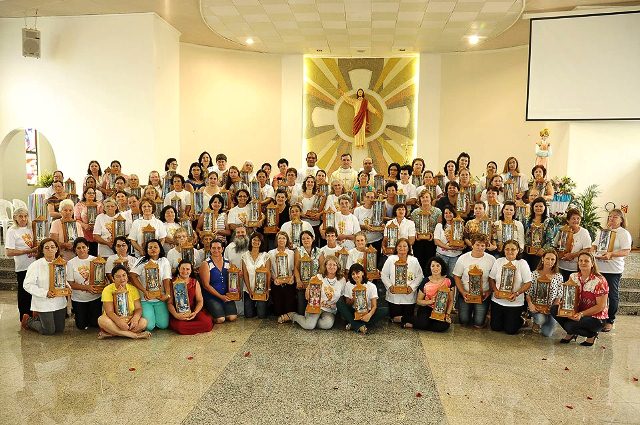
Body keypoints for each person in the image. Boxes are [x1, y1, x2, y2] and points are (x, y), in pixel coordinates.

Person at [552, 252, 609, 346]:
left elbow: (600, 306)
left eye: (586, 261)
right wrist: (565, 307)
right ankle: (571, 332)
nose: (583, 263)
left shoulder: (600, 281)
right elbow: (568, 296)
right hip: (578, 312)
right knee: (555, 309)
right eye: (581, 261)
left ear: (592, 263)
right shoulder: (573, 277)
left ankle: (591, 335)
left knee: (569, 325)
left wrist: (581, 314)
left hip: (596, 318)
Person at [593, 208, 632, 332]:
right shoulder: (603, 231)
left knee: (612, 295)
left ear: (621, 220)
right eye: (610, 216)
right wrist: (592, 249)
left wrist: (611, 254)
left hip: (613, 270)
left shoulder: (623, 233)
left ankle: (610, 320)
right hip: (599, 267)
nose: (611, 218)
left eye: (615, 217)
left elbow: (626, 251)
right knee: (597, 294)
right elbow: (595, 244)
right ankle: (598, 317)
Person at [21, 239, 68, 335]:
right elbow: (27, 285)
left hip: (59, 300)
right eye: (46, 248)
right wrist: (45, 293)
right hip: (44, 301)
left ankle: (39, 317)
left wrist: (67, 287)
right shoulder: (35, 265)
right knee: (49, 331)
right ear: (42, 250)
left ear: (56, 249)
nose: (50, 249)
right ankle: (29, 321)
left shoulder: (61, 263)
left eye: (52, 247)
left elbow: (64, 280)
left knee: (59, 329)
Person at [289, 255, 345, 330]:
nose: (332, 267)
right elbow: (307, 296)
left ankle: (312, 321)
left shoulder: (342, 280)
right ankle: (293, 316)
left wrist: (333, 305)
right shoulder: (318, 277)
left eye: (334, 264)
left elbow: (341, 298)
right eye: (329, 264)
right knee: (308, 326)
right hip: (315, 307)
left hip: (330, 310)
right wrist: (309, 288)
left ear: (338, 266)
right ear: (325, 266)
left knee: (326, 325)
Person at [488, 240, 532, 335]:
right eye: (507, 249)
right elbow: (491, 278)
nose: (510, 251)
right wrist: (495, 291)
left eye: (513, 249)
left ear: (518, 251)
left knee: (510, 330)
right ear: (503, 250)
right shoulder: (499, 261)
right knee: (496, 327)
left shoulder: (522, 263)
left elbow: (528, 283)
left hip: (514, 302)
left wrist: (517, 293)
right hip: (498, 300)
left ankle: (521, 320)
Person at [453, 234, 496, 328]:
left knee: (478, 323)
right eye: (477, 244)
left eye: (483, 245)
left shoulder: (491, 259)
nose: (480, 247)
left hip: (483, 295)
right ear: (472, 245)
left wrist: (489, 292)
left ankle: (484, 316)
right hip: (466, 294)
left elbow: (493, 279)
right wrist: (463, 292)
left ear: (486, 246)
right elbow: (456, 276)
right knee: (464, 321)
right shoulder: (463, 258)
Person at [97, 264, 150, 339]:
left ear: (127, 276)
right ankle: (133, 335)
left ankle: (113, 334)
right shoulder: (107, 289)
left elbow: (138, 308)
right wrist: (119, 322)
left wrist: (135, 319)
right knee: (101, 320)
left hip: (129, 319)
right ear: (113, 278)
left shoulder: (133, 289)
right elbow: (109, 312)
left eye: (124, 275)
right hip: (114, 320)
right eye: (118, 276)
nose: (122, 279)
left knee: (143, 322)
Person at [401, 256, 453, 332]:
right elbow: (418, 301)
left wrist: (447, 314)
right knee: (423, 323)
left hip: (441, 310)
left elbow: (451, 300)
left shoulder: (449, 280)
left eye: (438, 265)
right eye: (433, 266)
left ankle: (413, 325)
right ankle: (403, 318)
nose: (435, 268)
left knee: (444, 326)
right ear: (430, 268)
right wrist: (430, 301)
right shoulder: (425, 281)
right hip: (426, 307)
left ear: (442, 267)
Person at [129, 239, 172, 331]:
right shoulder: (141, 260)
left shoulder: (164, 261)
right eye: (150, 247)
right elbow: (132, 276)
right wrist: (144, 291)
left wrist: (167, 294)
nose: (153, 249)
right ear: (146, 250)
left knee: (163, 325)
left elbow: (166, 278)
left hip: (159, 298)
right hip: (146, 299)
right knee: (149, 326)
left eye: (155, 247)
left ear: (160, 248)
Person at [381, 238, 424, 323]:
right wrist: (390, 287)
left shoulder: (414, 260)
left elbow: (420, 276)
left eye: (405, 246)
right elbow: (384, 274)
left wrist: (412, 287)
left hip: (409, 296)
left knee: (407, 319)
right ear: (396, 248)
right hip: (394, 296)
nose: (402, 248)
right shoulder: (391, 259)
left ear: (409, 248)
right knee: (395, 319)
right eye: (399, 246)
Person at [6, 208, 37, 321]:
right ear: (15, 218)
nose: (23, 219)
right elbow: (9, 252)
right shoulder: (12, 230)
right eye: (20, 216)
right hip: (22, 266)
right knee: (24, 293)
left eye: (25, 216)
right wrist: (27, 251)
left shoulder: (31, 228)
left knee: (34, 291)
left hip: (34, 265)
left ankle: (34, 316)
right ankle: (24, 317)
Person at [66, 238, 103, 330]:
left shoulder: (96, 260)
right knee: (81, 326)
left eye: (84, 247)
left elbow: (102, 279)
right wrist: (87, 288)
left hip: (95, 297)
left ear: (88, 248)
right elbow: (71, 284)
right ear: (75, 250)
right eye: (78, 248)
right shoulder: (70, 263)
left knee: (95, 324)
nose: (82, 250)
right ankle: (78, 314)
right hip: (79, 299)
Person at [336, 263, 383, 334]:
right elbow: (348, 304)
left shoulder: (371, 286)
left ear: (363, 273)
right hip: (353, 312)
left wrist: (369, 315)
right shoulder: (348, 284)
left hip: (367, 311)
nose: (355, 276)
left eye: (357, 273)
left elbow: (374, 306)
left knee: (385, 310)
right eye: (353, 274)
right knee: (339, 303)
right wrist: (354, 298)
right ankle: (358, 325)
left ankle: (353, 323)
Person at [168, 260, 213, 334]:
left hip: (193, 310)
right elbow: (169, 303)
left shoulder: (195, 282)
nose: (185, 271)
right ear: (178, 269)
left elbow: (200, 301)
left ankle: (190, 328)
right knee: (180, 327)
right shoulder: (173, 282)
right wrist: (176, 315)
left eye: (188, 269)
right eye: (183, 268)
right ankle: (191, 327)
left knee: (207, 324)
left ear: (191, 270)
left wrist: (195, 312)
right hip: (179, 312)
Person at [526, 249, 563, 337]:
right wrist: (530, 304)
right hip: (536, 307)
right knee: (540, 319)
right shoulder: (534, 274)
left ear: (555, 261)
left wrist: (552, 309)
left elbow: (559, 296)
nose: (549, 261)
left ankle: (547, 319)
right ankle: (537, 322)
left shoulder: (558, 276)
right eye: (547, 258)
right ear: (542, 259)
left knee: (547, 334)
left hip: (551, 308)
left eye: (552, 259)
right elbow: (528, 292)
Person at [200, 240, 239, 323]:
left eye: (218, 248)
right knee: (220, 319)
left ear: (222, 249)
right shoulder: (205, 263)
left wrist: (238, 274)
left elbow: (233, 278)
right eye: (213, 248)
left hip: (226, 295)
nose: (216, 250)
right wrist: (221, 297)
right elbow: (206, 285)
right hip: (212, 296)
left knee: (232, 318)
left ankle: (220, 310)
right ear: (210, 249)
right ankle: (208, 311)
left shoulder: (228, 262)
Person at [241, 232, 271, 319]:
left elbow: (268, 273)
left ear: (261, 242)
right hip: (248, 289)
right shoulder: (244, 256)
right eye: (254, 240)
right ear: (251, 241)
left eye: (259, 240)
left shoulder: (266, 256)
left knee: (261, 315)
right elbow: (245, 274)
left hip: (262, 290)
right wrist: (249, 290)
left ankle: (264, 307)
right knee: (248, 315)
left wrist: (267, 289)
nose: (256, 242)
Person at [557, 208, 592, 281]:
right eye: (573, 218)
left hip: (576, 268)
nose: (576, 220)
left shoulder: (584, 232)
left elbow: (587, 249)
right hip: (561, 266)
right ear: (568, 220)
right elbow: (555, 245)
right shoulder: (562, 230)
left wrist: (573, 255)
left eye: (578, 218)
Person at [411, 190, 441, 273]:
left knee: (430, 261)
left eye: (427, 197)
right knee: (419, 261)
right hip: (418, 241)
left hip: (432, 241)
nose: (425, 199)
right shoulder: (415, 212)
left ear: (431, 198)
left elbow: (439, 227)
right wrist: (415, 233)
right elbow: (412, 226)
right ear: (420, 199)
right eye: (423, 197)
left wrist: (433, 235)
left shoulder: (438, 211)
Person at [269, 231, 296, 323]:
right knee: (278, 311)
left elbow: (294, 269)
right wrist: (274, 279)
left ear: (287, 240)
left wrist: (292, 278)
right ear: (276, 240)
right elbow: (269, 269)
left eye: (284, 238)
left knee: (289, 309)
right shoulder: (271, 253)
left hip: (289, 283)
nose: (281, 240)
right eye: (279, 238)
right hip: (276, 283)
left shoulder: (291, 253)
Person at [524, 196, 557, 270]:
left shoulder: (549, 221)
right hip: (526, 253)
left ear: (545, 208)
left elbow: (550, 239)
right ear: (532, 207)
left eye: (541, 206)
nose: (538, 208)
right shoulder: (526, 220)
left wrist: (543, 250)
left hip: (540, 254)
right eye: (536, 206)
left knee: (537, 273)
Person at [294, 230, 322, 315]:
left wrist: (314, 281)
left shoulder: (319, 251)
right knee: (302, 312)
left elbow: (322, 268)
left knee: (314, 311)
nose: (306, 240)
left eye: (308, 238)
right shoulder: (299, 251)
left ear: (313, 239)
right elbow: (296, 268)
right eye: (303, 239)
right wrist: (298, 280)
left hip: (315, 284)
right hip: (303, 284)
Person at [433, 205, 463, 275]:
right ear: (443, 215)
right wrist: (448, 247)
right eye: (446, 213)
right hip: (442, 255)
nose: (448, 215)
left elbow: (462, 240)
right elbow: (436, 241)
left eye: (450, 213)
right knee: (441, 275)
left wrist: (461, 246)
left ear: (454, 214)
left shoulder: (459, 225)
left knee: (453, 277)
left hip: (455, 256)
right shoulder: (439, 226)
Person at [74, 187, 102, 256]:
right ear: (84, 195)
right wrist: (84, 225)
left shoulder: (99, 205)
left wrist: (96, 226)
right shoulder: (79, 205)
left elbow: (102, 218)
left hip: (97, 234)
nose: (91, 194)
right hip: (84, 233)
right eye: (89, 193)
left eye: (93, 193)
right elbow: (76, 219)